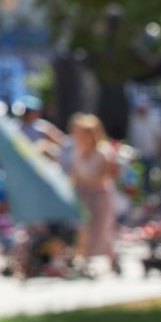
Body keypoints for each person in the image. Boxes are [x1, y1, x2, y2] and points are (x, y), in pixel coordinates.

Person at [68, 114, 119, 275]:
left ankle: (113, 259)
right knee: (83, 229)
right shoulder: (77, 151)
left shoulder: (103, 152)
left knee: (102, 229)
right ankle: (84, 261)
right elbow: (74, 174)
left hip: (100, 194)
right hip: (83, 195)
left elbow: (104, 176)